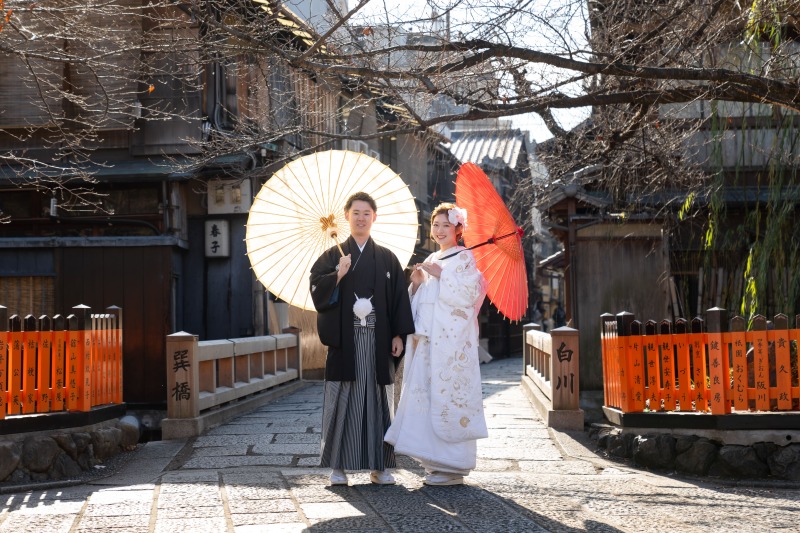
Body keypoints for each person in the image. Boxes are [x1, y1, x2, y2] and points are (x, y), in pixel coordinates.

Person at [309, 191, 414, 486]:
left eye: (367, 213)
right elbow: (317, 292)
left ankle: (379, 466)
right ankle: (338, 467)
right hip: (346, 341)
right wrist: (337, 276)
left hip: (378, 340)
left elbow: (397, 300)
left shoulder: (386, 258)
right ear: (346, 216)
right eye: (356, 212)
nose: (361, 218)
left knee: (377, 402)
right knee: (342, 400)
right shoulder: (332, 257)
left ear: (374, 218)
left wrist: (397, 334)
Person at [384, 202, 488, 486]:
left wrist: (443, 275)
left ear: (458, 229)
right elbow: (423, 303)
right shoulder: (434, 256)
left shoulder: (464, 258)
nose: (440, 230)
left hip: (451, 347)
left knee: (449, 399)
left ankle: (453, 466)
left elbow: (469, 296)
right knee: (427, 398)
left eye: (446, 225)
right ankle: (434, 461)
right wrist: (417, 284)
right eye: (436, 225)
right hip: (428, 342)